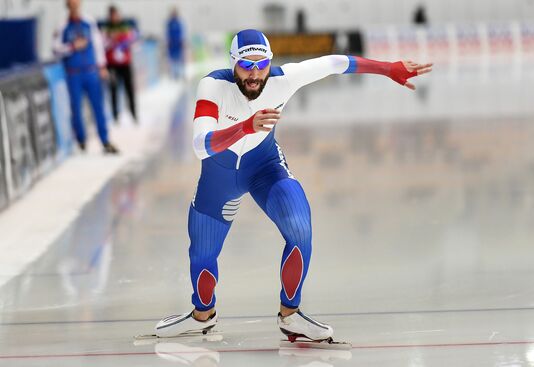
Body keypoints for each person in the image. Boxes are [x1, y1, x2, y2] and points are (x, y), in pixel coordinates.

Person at [155, 29, 432, 341]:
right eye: (246, 66)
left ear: (270, 62)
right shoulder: (213, 85)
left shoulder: (283, 79)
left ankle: (291, 315)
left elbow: (334, 63)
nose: (254, 74)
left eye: (261, 65)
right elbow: (200, 145)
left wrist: (388, 68)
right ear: (233, 64)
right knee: (202, 256)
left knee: (300, 228)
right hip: (219, 178)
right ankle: (202, 315)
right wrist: (246, 127)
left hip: (264, 168)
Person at [53, 0, 118, 154]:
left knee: (98, 106)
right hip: (73, 73)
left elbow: (97, 45)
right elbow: (55, 48)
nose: (74, 4)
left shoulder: (89, 22)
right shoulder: (62, 25)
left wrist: (102, 66)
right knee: (76, 107)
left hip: (90, 71)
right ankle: (81, 139)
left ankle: (105, 139)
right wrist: (72, 47)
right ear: (67, 4)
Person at [102, 5, 139, 124]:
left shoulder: (126, 26)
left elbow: (134, 39)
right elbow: (102, 44)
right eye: (112, 15)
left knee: (129, 90)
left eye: (116, 15)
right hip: (112, 65)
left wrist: (126, 41)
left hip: (125, 64)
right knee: (113, 90)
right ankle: (115, 116)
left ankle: (134, 114)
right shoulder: (106, 28)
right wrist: (111, 40)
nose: (114, 17)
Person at [166, 8, 185, 80]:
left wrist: (182, 41)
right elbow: (167, 33)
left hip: (178, 44)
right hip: (172, 44)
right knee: (172, 59)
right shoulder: (169, 23)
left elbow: (181, 32)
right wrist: (168, 41)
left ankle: (180, 74)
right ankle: (174, 75)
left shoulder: (179, 23)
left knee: (179, 59)